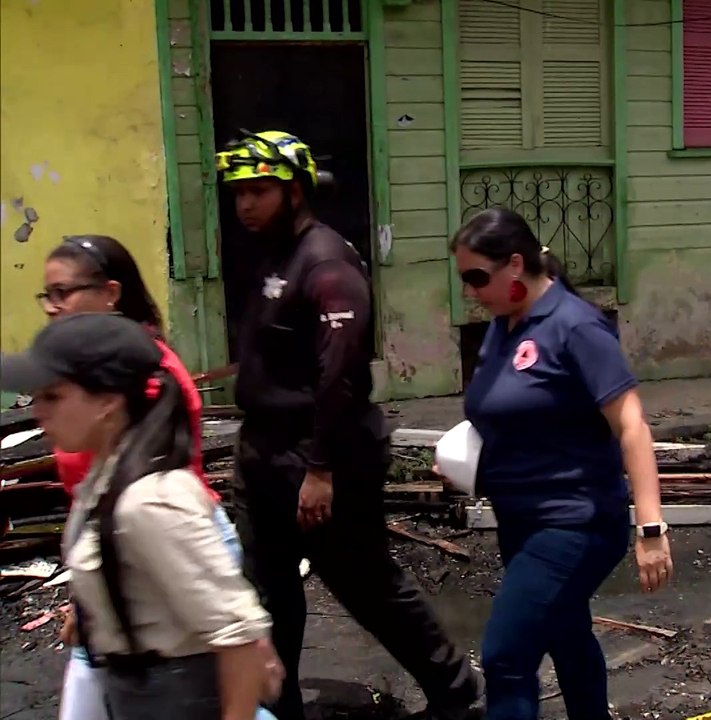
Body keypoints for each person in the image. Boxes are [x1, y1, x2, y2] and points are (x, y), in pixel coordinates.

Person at [214, 130, 483, 720]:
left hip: (321, 456)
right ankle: (274, 707)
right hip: (263, 452)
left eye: (259, 191)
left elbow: (339, 377)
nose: (245, 205)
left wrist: (319, 468)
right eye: (238, 193)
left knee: (366, 583)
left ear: (296, 191)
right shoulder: (272, 255)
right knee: (265, 593)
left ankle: (456, 693)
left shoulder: (327, 261)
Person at [448, 207, 674, 720]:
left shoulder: (576, 326)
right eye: (464, 280)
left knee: (507, 656)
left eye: (477, 278)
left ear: (514, 265)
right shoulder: (504, 325)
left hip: (574, 521)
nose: (470, 291)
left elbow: (632, 426)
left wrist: (652, 527)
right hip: (521, 518)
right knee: (566, 633)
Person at [0, 313, 280, 719]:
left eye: (53, 396)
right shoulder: (106, 476)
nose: (38, 411)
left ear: (107, 402)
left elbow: (237, 636)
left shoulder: (151, 500)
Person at [35, 235, 243, 720]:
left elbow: (239, 636)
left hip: (162, 550)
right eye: (47, 294)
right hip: (122, 555)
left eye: (64, 292)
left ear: (111, 293)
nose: (52, 307)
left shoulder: (146, 376)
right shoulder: (96, 375)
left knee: (187, 690)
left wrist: (94, 599)